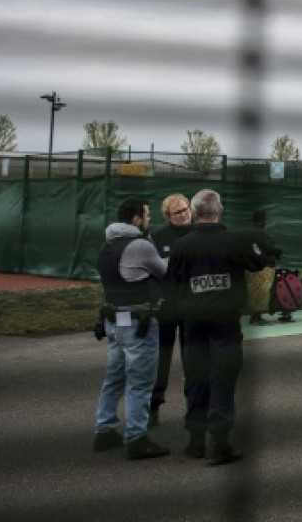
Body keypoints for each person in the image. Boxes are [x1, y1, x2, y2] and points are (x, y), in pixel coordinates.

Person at [166, 189, 264, 466]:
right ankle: (219, 443)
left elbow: (172, 283)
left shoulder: (184, 245)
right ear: (219, 210)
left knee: (197, 377)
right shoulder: (234, 241)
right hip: (224, 320)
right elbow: (258, 263)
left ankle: (195, 441)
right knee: (223, 378)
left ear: (195, 213)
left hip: (194, 320)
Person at [93, 196, 170, 460]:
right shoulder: (139, 245)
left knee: (114, 378)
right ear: (136, 218)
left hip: (114, 320)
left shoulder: (108, 244)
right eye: (147, 216)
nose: (149, 220)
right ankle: (137, 438)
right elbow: (164, 272)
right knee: (140, 382)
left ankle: (104, 430)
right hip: (139, 321)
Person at [148, 192, 193, 429]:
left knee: (192, 358)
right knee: (161, 359)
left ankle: (193, 407)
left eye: (186, 209)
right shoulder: (157, 236)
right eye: (178, 212)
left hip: (191, 307)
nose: (184, 214)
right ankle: (153, 406)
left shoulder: (198, 235)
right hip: (166, 306)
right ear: (168, 216)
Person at [244, 208, 283, 326]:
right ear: (262, 220)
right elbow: (267, 248)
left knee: (255, 292)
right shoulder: (260, 233)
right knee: (262, 292)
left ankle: (254, 317)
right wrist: (278, 252)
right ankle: (257, 318)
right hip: (262, 267)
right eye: (265, 219)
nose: (266, 221)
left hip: (250, 266)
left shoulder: (249, 232)